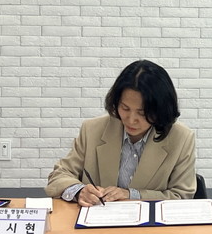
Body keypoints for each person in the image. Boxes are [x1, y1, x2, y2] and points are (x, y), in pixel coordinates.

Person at [45, 60, 196, 206]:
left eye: (142, 113)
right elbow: (59, 176)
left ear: (160, 110)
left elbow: (181, 195)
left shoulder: (181, 138)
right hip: (98, 220)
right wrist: (79, 191)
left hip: (150, 222)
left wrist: (131, 195)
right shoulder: (92, 130)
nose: (131, 120)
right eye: (125, 108)